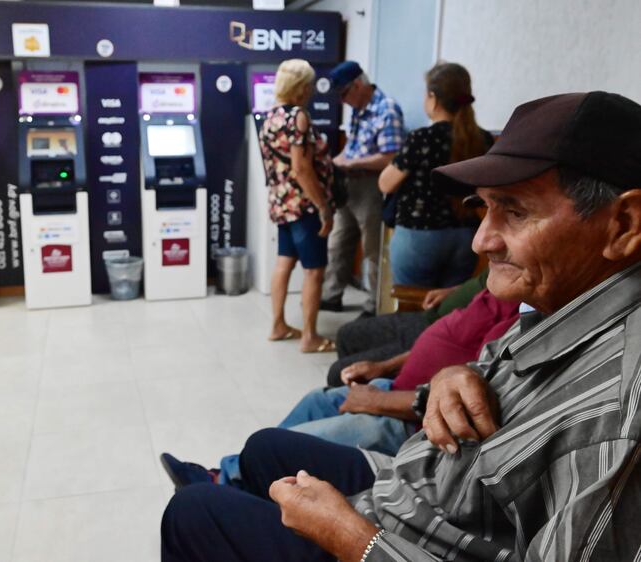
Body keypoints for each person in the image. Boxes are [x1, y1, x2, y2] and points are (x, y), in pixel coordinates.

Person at [161, 91, 641, 561]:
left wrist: (351, 537)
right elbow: (492, 370)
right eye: (484, 207)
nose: (480, 241)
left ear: (624, 225)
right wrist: (454, 376)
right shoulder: (561, 303)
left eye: (515, 212)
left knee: (194, 513)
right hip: (417, 489)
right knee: (264, 447)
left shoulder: (619, 415)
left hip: (401, 539)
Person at [160, 288, 518, 489]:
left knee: (296, 447)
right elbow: (445, 342)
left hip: (410, 422)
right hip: (394, 386)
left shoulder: (519, 319)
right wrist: (383, 367)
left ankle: (228, 482)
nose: (483, 240)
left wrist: (377, 401)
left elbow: (468, 399)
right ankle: (232, 474)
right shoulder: (499, 284)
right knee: (315, 402)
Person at [379, 61, 493, 287]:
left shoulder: (422, 138)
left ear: (433, 97)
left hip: (419, 235)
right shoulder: (483, 139)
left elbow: (386, 184)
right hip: (466, 237)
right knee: (449, 306)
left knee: (411, 304)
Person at [260, 59, 336, 352]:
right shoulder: (298, 117)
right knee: (314, 271)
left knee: (284, 262)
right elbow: (301, 168)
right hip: (303, 206)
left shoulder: (270, 116)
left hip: (281, 204)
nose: (312, 90)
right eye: (309, 85)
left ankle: (277, 325)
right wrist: (323, 206)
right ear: (301, 87)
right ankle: (309, 337)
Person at [320, 61, 404, 315]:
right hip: (348, 184)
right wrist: (334, 162)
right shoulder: (358, 109)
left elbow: (392, 157)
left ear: (358, 85)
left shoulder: (386, 109)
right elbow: (352, 148)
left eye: (344, 94)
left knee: (373, 249)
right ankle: (331, 295)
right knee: (338, 242)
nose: (342, 101)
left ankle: (374, 304)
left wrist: (353, 163)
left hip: (372, 185)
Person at [326, 269, 488, 386]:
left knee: (339, 372)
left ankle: (357, 405)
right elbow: (483, 281)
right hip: (429, 317)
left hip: (439, 339)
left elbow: (457, 351)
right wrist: (453, 290)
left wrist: (385, 367)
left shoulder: (502, 308)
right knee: (346, 334)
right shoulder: (498, 270)